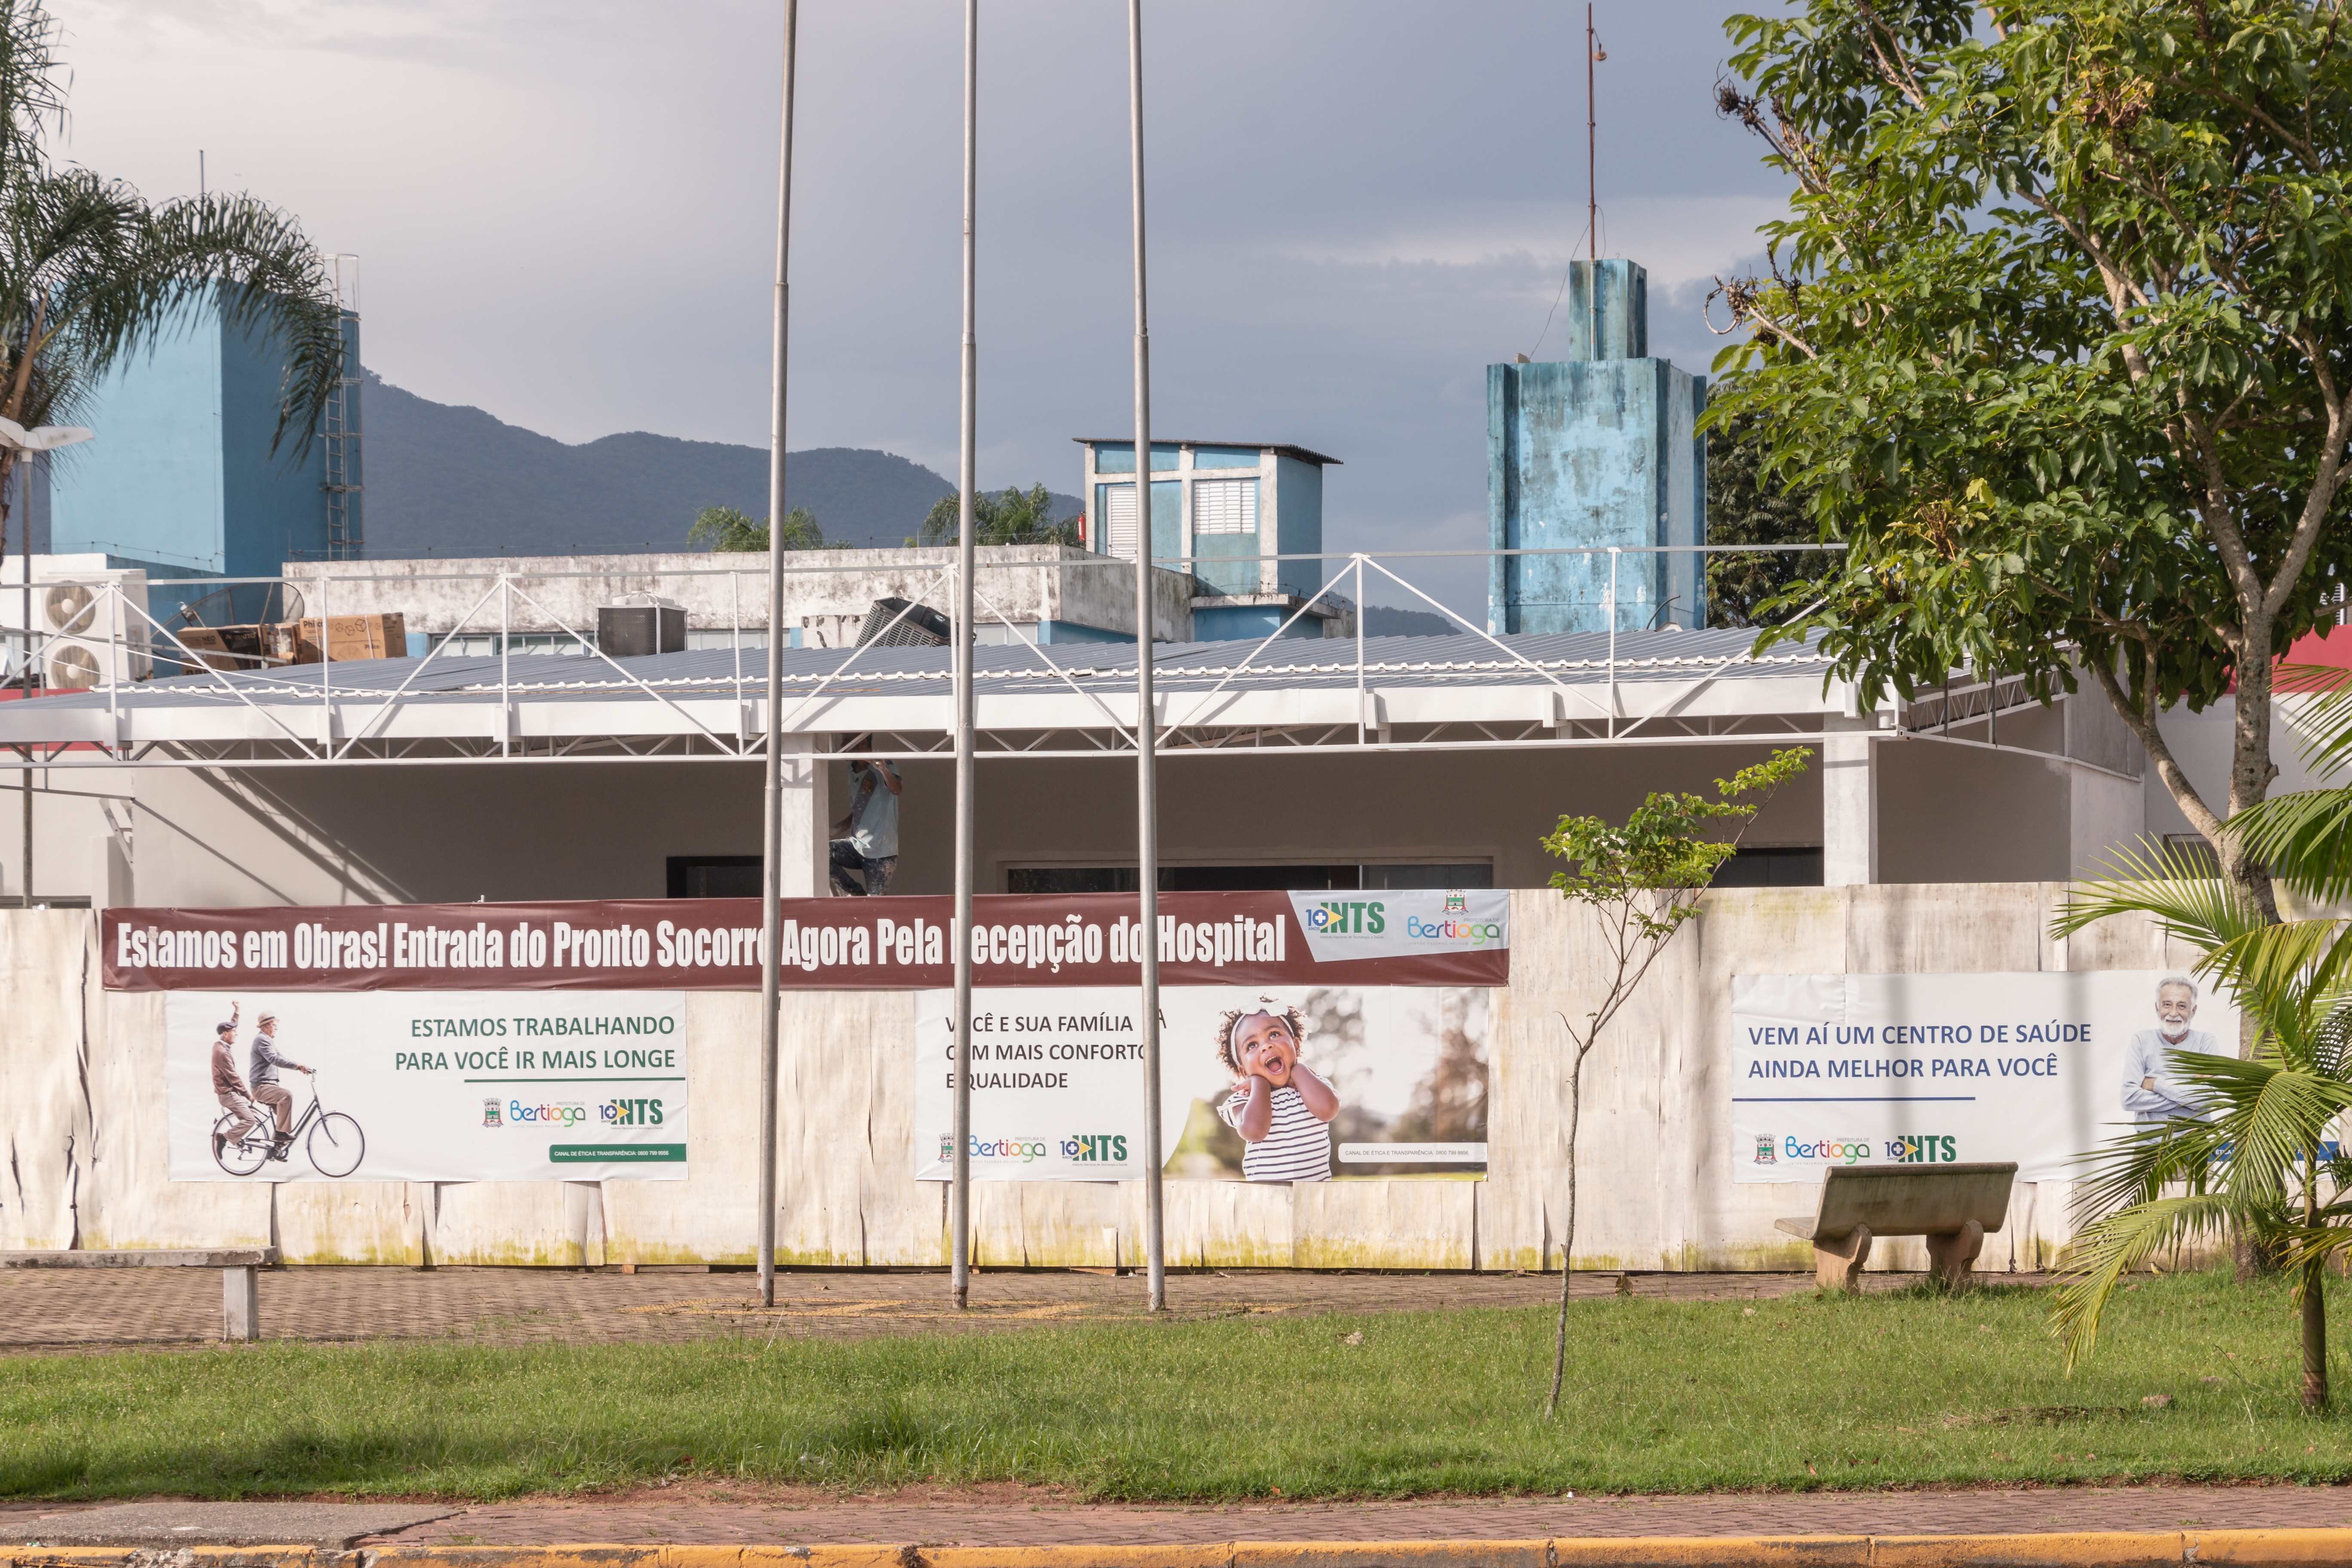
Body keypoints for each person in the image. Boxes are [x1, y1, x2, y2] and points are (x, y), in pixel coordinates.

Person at [1215, 998, 1339, 1182]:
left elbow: (1328, 1110)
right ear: (1243, 1071)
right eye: (1252, 1045)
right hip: (1267, 1201)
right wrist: (1260, 1085)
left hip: (1314, 1197)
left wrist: (1300, 1070)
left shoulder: (1310, 1086)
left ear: (1296, 1046)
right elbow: (1254, 1131)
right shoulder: (1242, 1100)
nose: (1266, 1046)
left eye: (1273, 1035)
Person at [2124, 974, 2218, 1124]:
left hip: (2195, 1143)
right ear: (2157, 1008)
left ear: (2193, 1011)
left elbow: (2209, 1100)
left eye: (2182, 1006)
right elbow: (2129, 1099)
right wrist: (2190, 1095)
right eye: (2167, 1005)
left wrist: (2156, 1085)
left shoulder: (2206, 1042)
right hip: (2149, 1145)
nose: (2174, 1013)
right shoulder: (2141, 1040)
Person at [829, 737, 901, 896]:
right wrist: (833, 830)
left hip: (881, 852)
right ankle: (856, 894)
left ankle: (865, 903)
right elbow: (860, 810)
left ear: (862, 742)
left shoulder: (885, 764)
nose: (842, 746)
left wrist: (883, 770)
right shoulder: (851, 768)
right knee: (822, 851)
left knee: (876, 908)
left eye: (846, 741)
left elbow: (897, 790)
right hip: (856, 845)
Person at [248, 1010, 314, 1161]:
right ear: (265, 1026)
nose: (276, 1028)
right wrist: (297, 1065)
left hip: (268, 1086)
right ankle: (279, 1135)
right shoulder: (262, 1040)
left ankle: (274, 1150)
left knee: (283, 1117)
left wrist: (301, 1067)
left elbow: (281, 1057)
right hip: (261, 1087)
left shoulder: (268, 1041)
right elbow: (274, 1059)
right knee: (286, 1096)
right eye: (274, 1025)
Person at [210, 1003, 262, 1157]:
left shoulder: (219, 1045)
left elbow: (232, 1024)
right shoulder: (222, 1053)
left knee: (248, 1118)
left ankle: (235, 1137)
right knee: (250, 1121)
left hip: (229, 1094)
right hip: (228, 1095)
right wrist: (248, 1095)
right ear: (226, 1034)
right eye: (234, 1032)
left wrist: (237, 1012)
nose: (236, 1035)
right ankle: (223, 1138)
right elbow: (234, 1078)